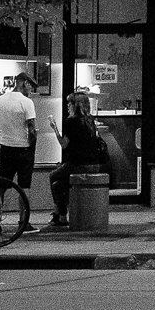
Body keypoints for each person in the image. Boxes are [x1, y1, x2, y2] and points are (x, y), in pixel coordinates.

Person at [45, 83, 103, 230]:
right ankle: (60, 214)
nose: (67, 106)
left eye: (69, 103)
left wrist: (55, 128)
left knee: (53, 176)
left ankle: (59, 214)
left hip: (78, 163)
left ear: (75, 105)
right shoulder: (90, 120)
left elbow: (64, 144)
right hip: (95, 164)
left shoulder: (71, 121)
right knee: (58, 185)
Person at [0, 74, 40, 234]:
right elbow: (31, 128)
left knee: (1, 187)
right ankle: (23, 222)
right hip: (23, 149)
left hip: (5, 148)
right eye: (30, 86)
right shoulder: (27, 102)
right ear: (24, 83)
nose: (30, 90)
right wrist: (32, 142)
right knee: (24, 187)